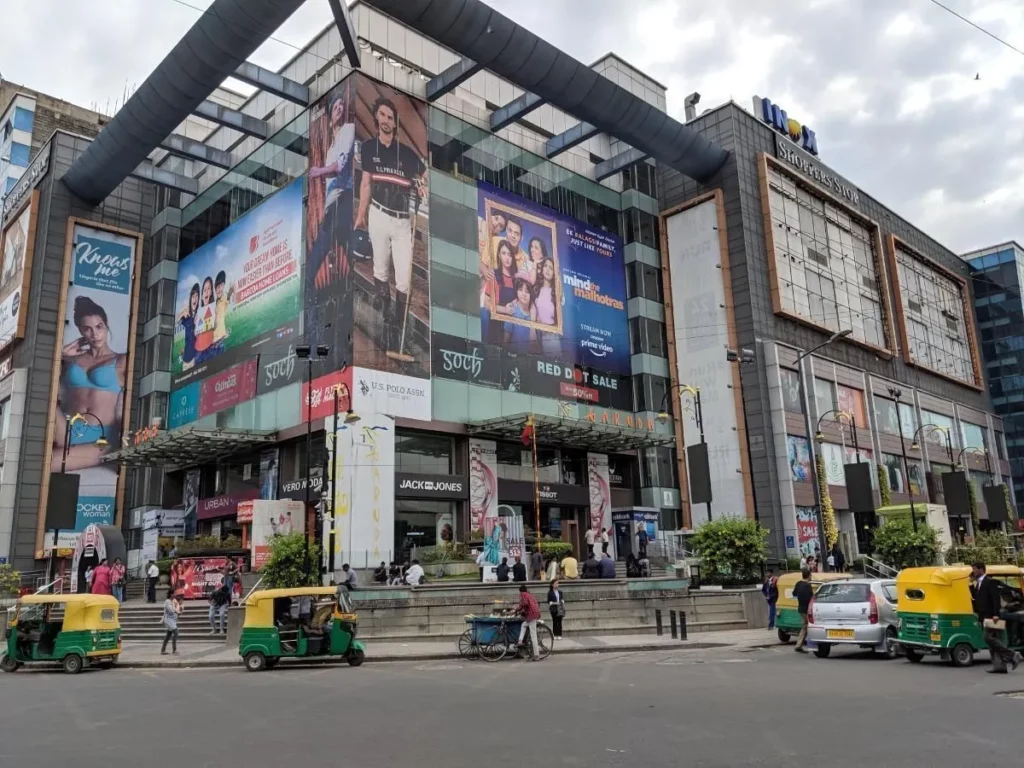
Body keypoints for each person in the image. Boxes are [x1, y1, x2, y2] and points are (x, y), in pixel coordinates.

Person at [354, 94, 428, 358]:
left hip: (402, 221)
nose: (386, 120)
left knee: (405, 282)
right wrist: (361, 214)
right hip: (378, 215)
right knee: (381, 272)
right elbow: (365, 184)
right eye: (382, 115)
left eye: (391, 117)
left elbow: (424, 176)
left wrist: (422, 186)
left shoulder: (407, 155)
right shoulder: (368, 148)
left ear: (396, 123)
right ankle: (387, 328)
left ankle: (399, 332)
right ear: (376, 118)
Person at [52, 296, 128, 473]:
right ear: (80, 331)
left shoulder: (121, 360)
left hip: (99, 438)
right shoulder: (71, 360)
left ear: (106, 325)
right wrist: (61, 355)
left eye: (99, 327)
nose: (95, 334)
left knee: (47, 462)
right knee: (47, 397)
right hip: (65, 430)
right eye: (87, 329)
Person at [972, 561, 1022, 674]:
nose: (973, 571)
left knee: (988, 638)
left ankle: (1013, 655)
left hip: (992, 617)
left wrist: (996, 614)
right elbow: (977, 599)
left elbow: (995, 599)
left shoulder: (990, 582)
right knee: (992, 642)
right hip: (984, 617)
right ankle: (999, 666)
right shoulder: (978, 583)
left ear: (981, 569)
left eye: (975, 569)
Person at [515, 584, 542, 661]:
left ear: (520, 591)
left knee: (533, 636)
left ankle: (536, 655)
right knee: (524, 625)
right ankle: (520, 641)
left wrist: (517, 609)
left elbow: (525, 604)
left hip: (531, 615)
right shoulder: (529, 594)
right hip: (534, 613)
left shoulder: (523, 594)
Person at [177, 282, 200, 370]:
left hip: (195, 357)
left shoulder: (199, 314)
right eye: (193, 296)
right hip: (186, 360)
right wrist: (182, 313)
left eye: (197, 296)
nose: (195, 299)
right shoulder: (187, 317)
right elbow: (176, 322)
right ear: (190, 299)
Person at [793, 568, 813, 653]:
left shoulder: (798, 583)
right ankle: (812, 644)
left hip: (800, 608)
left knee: (805, 626)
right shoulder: (808, 586)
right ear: (809, 576)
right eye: (811, 575)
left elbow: (794, 593)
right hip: (806, 609)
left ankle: (799, 645)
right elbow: (811, 598)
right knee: (810, 626)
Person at [161, 589, 182, 655]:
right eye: (174, 593)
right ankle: (174, 649)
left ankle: (163, 650)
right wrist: (177, 611)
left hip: (172, 620)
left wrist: (179, 610)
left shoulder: (172, 601)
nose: (175, 594)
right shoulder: (167, 601)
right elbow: (170, 610)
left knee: (168, 635)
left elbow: (175, 608)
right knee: (176, 632)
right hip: (168, 620)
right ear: (171, 594)